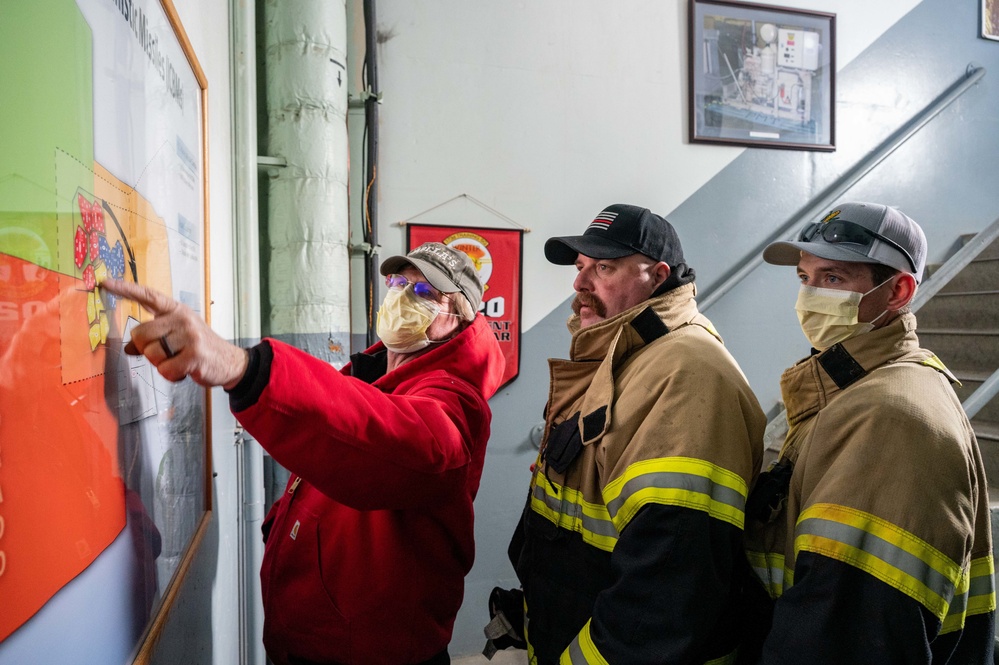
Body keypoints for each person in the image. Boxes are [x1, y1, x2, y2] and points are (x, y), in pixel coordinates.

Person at [103, 241, 506, 665]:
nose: (403, 296)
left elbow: (389, 438)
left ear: (459, 318)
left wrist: (244, 368)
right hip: (314, 642)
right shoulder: (371, 377)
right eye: (398, 282)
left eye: (425, 294)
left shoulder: (456, 403)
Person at [502, 204, 766, 664]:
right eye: (581, 267)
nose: (580, 284)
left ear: (657, 275)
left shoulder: (688, 372)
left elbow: (667, 583)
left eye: (603, 267)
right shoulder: (621, 352)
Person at [743, 201, 995, 663]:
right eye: (805, 277)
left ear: (898, 290)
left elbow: (843, 635)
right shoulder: (850, 386)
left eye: (834, 278)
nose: (810, 295)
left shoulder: (891, 418)